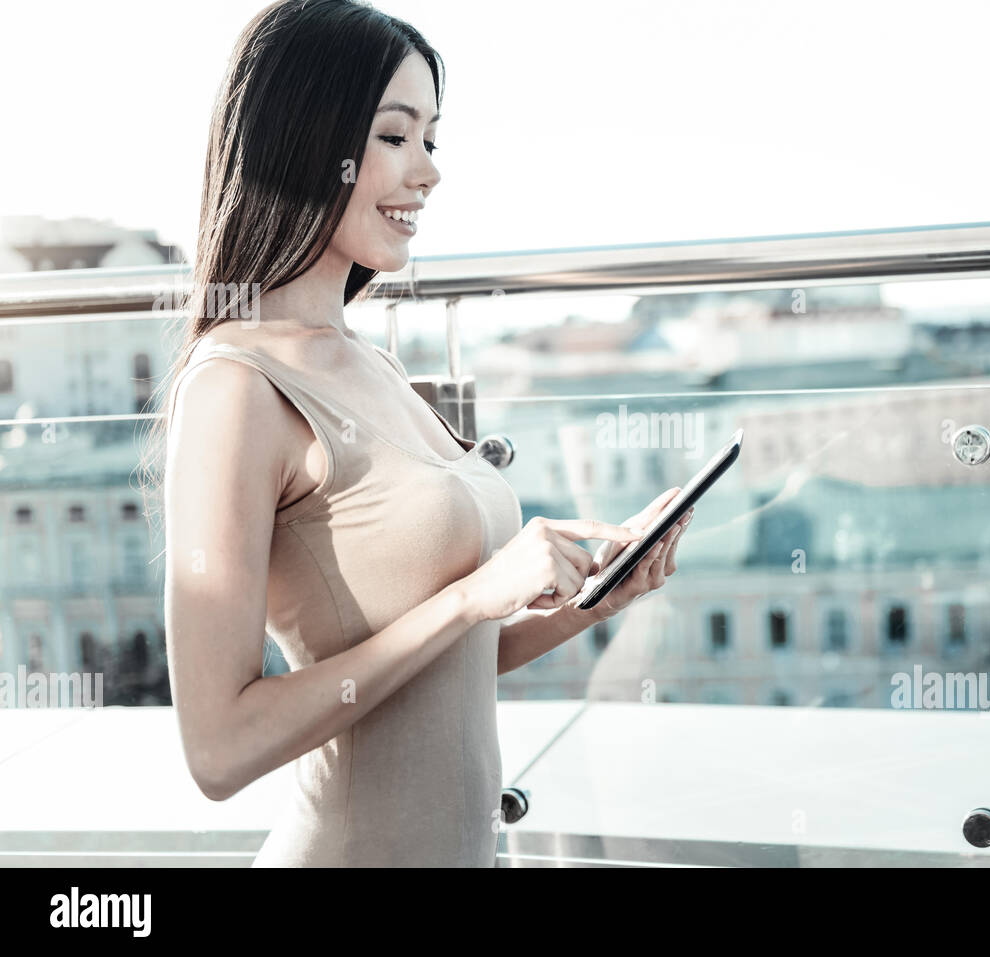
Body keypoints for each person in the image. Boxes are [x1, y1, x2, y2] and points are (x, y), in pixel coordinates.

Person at [148, 0, 691, 867]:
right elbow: (218, 749)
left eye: (433, 139)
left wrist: (597, 599)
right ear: (301, 137)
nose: (429, 172)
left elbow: (449, 667)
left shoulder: (373, 364)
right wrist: (474, 594)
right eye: (395, 137)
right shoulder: (236, 388)